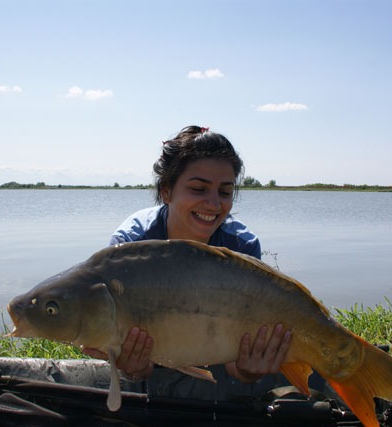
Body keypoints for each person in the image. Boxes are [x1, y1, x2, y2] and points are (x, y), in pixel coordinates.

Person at [84, 125, 293, 400]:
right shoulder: (130, 248)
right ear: (167, 190)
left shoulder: (241, 246)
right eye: (198, 188)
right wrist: (135, 368)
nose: (213, 204)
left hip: (215, 357)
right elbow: (126, 355)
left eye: (225, 192)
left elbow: (236, 364)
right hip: (155, 361)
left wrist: (247, 371)